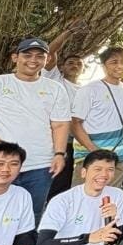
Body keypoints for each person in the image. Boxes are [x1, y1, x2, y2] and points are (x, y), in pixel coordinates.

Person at [0, 37, 70, 219]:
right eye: (27, 55)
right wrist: (3, 149)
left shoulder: (55, 89)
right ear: (15, 57)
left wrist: (59, 154)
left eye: (39, 56)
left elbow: (60, 124)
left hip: (39, 166)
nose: (33, 60)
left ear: (47, 60)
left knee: (29, 217)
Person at [69, 47, 123, 188]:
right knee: (82, 200)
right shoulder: (89, 90)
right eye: (114, 62)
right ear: (104, 66)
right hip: (90, 158)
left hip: (118, 158)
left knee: (110, 200)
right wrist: (95, 151)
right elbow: (74, 123)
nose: (120, 66)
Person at [44, 28, 83, 197]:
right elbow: (50, 51)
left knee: (63, 184)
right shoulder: (55, 79)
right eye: (70, 63)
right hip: (52, 140)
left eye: (78, 64)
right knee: (48, 180)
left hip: (74, 143)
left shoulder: (85, 91)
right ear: (62, 67)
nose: (75, 66)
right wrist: (69, 31)